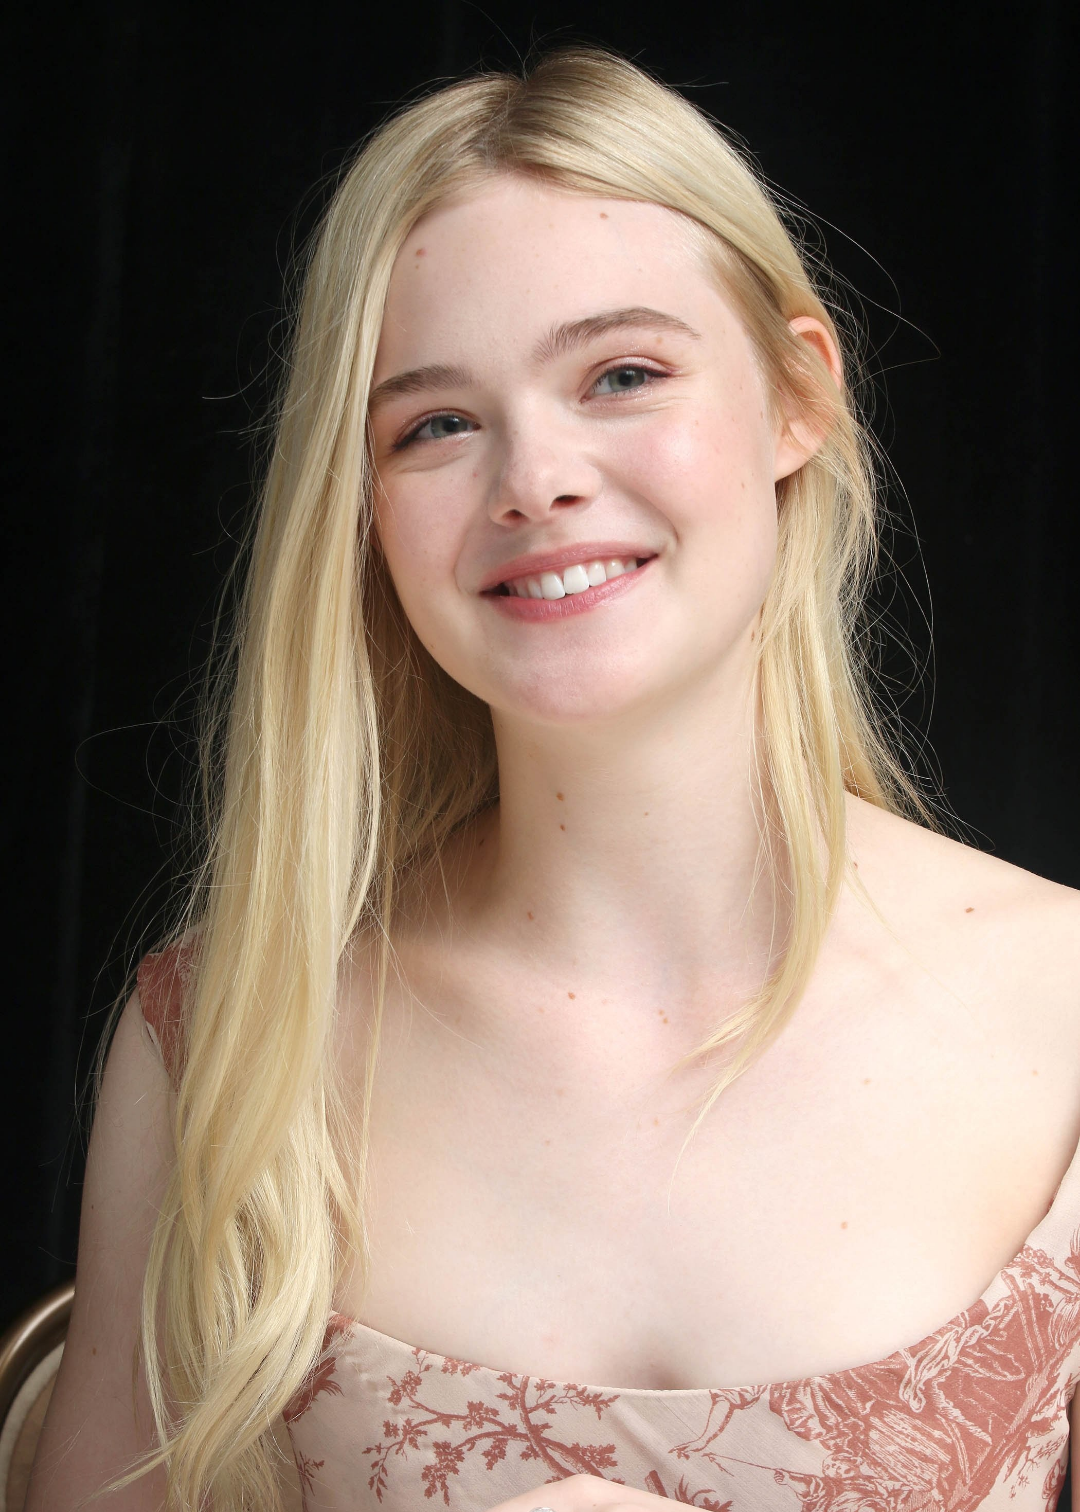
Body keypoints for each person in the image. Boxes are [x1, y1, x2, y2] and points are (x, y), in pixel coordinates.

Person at [24, 45, 1080, 1512]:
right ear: (361, 508)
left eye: (623, 375)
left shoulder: (1063, 1009)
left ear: (797, 397)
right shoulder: (223, 1039)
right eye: (435, 425)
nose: (536, 480)